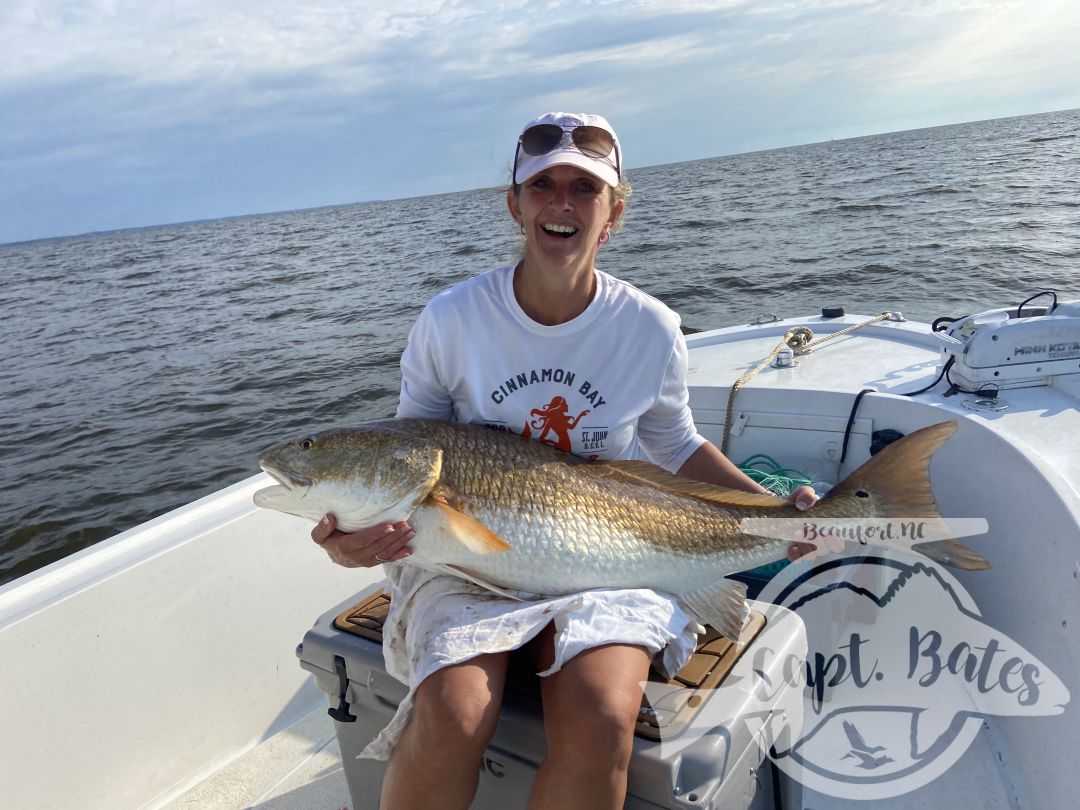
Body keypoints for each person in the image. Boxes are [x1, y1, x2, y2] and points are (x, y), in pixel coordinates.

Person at [312, 112, 817, 810]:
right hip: (466, 560)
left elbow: (675, 444)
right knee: (453, 714)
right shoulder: (452, 319)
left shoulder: (649, 327)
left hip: (609, 549)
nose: (562, 202)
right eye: (542, 185)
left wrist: (775, 514)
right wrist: (354, 541)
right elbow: (406, 448)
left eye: (585, 188)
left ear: (614, 213)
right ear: (515, 205)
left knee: (603, 718)